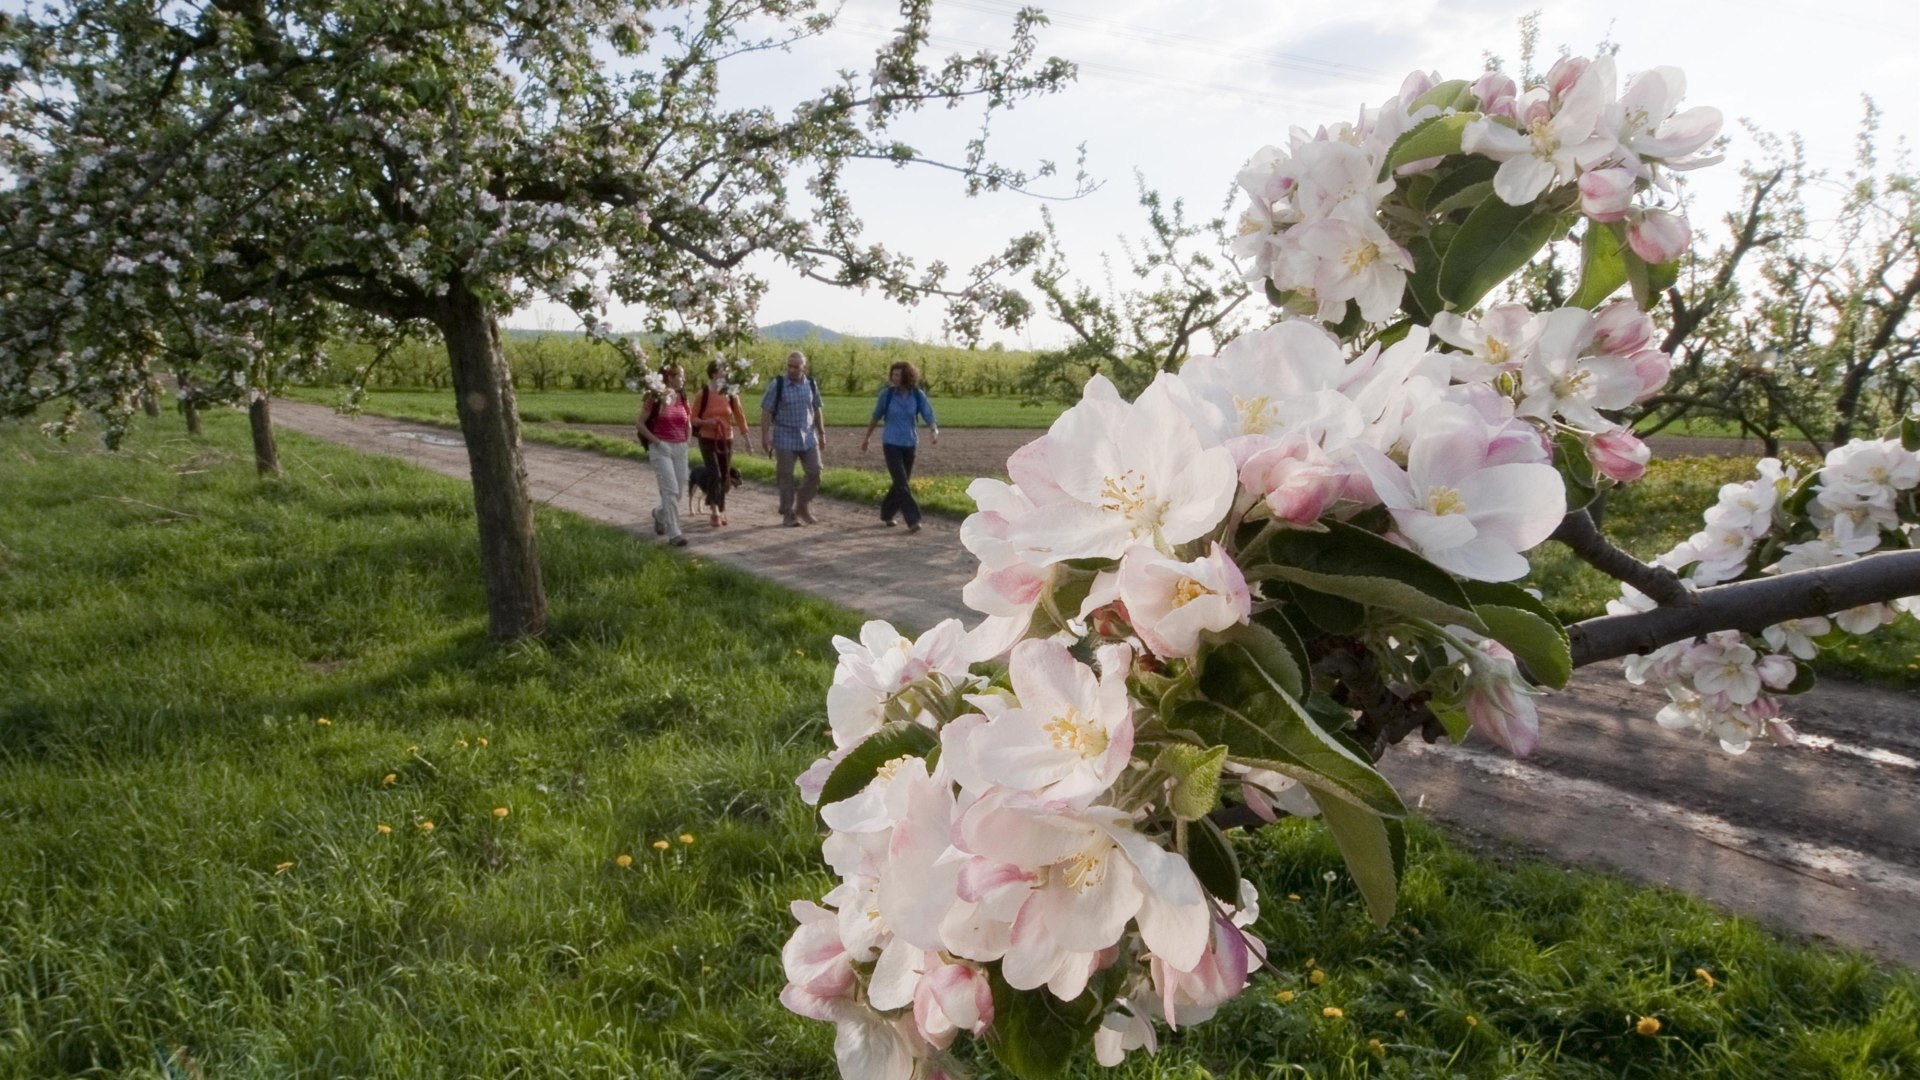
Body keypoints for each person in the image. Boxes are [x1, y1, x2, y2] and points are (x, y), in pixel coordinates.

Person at [860, 360, 939, 534]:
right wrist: (867, 438)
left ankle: (887, 513)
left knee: (901, 483)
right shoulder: (886, 395)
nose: (894, 378)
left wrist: (934, 431)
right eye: (893, 375)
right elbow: (876, 416)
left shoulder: (917, 395)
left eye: (898, 375)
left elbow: (928, 414)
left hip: (910, 443)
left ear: (907, 376)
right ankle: (913, 519)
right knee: (902, 483)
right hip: (891, 443)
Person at [759, 350, 826, 527]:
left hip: (808, 436)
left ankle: (802, 506)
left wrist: (822, 432)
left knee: (815, 472)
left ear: (804, 367)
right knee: (785, 475)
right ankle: (788, 513)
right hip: (784, 435)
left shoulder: (811, 383)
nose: (792, 370)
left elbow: (817, 408)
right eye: (790, 366)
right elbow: (766, 410)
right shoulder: (777, 384)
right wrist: (765, 436)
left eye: (796, 367)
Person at [636, 361, 692, 548]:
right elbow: (640, 424)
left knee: (680, 491)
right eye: (680, 376)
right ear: (669, 377)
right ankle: (674, 532)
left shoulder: (683, 397)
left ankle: (659, 514)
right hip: (661, 448)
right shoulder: (655, 397)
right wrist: (658, 442)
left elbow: (687, 421)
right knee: (670, 490)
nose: (683, 379)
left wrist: (687, 440)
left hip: (680, 447)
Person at [691, 358, 752, 527]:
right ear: (713, 373)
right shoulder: (702, 394)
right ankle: (715, 512)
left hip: (726, 439)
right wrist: (706, 423)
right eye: (722, 370)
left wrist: (747, 440)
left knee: (725, 476)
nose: (726, 373)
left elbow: (740, 417)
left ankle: (720, 507)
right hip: (707, 439)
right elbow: (693, 418)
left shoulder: (731, 393)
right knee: (715, 474)